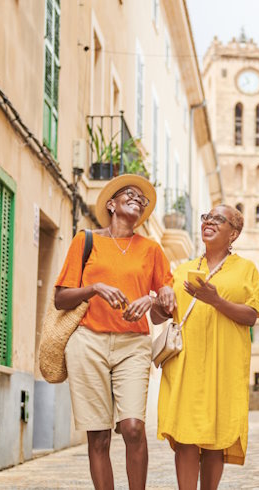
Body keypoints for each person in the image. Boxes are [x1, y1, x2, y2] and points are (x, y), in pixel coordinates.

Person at [54, 174, 176, 490]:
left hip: (133, 343)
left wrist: (152, 299)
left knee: (133, 427)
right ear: (111, 204)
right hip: (87, 341)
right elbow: (60, 298)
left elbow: (164, 312)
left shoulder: (152, 250)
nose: (137, 198)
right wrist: (94, 288)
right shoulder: (86, 241)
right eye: (129, 194)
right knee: (99, 436)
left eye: (142, 198)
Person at [152, 204, 259, 490]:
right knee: (186, 436)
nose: (209, 222)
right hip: (185, 363)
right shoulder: (182, 270)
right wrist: (158, 303)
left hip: (224, 362)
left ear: (234, 233)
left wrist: (215, 300)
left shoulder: (246, 270)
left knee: (216, 435)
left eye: (218, 219)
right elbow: (160, 316)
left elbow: (251, 316)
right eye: (207, 217)